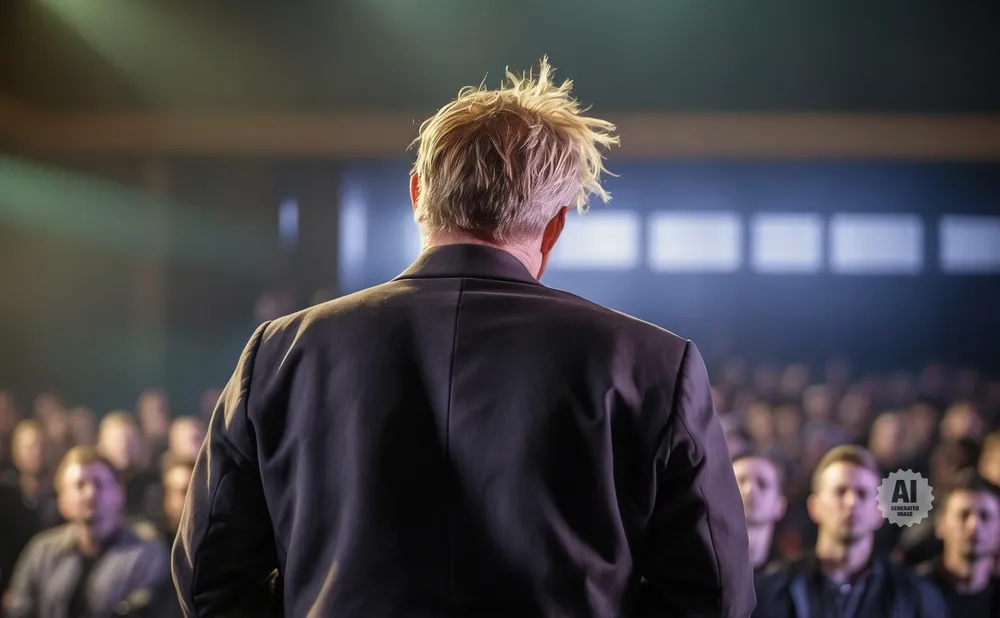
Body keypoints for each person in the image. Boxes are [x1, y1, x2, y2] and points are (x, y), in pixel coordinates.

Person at [172, 58, 755, 618]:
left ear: (417, 193)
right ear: (554, 226)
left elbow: (211, 579)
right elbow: (715, 595)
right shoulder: (652, 362)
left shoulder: (282, 353)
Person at [753, 445, 946, 618]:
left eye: (862, 493)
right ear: (815, 507)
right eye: (840, 491)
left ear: (879, 513)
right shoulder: (774, 589)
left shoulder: (914, 594)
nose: (852, 502)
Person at [2, 445, 170, 618]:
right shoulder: (41, 551)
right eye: (79, 485)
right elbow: (18, 610)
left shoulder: (148, 556)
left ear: (119, 493)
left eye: (99, 484)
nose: (90, 493)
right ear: (62, 498)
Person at [920, 469, 1000, 616]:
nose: (974, 525)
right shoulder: (911, 593)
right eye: (964, 515)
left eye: (985, 516)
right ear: (940, 525)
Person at [732, 450, 787, 575]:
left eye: (762, 484)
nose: (750, 490)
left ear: (780, 505)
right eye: (740, 481)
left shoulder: (792, 581)